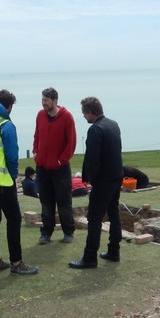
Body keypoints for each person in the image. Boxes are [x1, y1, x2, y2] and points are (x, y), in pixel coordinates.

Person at [0, 89, 38, 276]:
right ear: (9, 107)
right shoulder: (7, 125)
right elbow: (12, 156)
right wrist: (12, 176)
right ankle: (17, 263)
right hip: (2, 181)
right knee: (13, 219)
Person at [69, 97, 123, 269]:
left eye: (84, 113)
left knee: (94, 218)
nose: (84, 117)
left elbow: (93, 160)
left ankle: (90, 257)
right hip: (116, 176)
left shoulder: (95, 130)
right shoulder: (113, 124)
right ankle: (114, 251)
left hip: (103, 180)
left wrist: (91, 182)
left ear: (91, 112)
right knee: (113, 213)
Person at [32, 87, 77, 244]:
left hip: (60, 169)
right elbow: (37, 135)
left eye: (46, 100)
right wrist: (35, 151)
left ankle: (68, 232)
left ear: (54, 101)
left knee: (64, 202)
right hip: (42, 168)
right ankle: (46, 233)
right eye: (42, 99)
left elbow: (71, 143)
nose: (43, 102)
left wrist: (60, 161)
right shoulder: (40, 115)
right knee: (46, 202)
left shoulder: (67, 117)